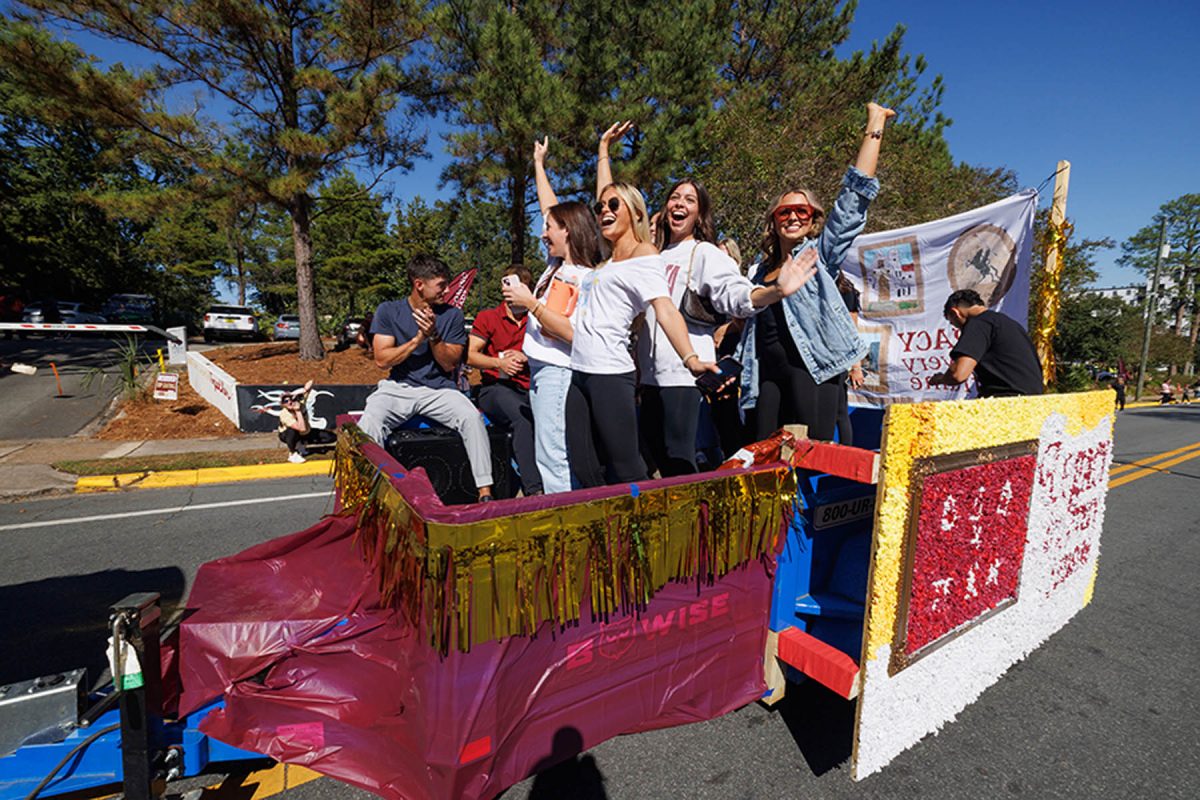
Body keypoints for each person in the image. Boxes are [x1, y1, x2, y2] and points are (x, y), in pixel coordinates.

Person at [596, 128, 817, 476]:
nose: (679, 204)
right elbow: (612, 209)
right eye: (674, 197)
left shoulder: (703, 253)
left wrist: (775, 291)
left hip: (683, 378)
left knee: (679, 464)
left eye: (689, 200)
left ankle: (699, 527)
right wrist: (603, 153)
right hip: (647, 381)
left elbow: (737, 294)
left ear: (699, 214)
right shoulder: (650, 253)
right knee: (655, 463)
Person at [734, 102, 895, 442]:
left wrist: (874, 126)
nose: (793, 217)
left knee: (809, 453)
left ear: (812, 219)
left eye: (802, 212)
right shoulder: (758, 270)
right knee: (764, 452)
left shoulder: (818, 255)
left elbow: (854, 199)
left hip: (813, 369)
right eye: (785, 212)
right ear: (773, 220)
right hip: (766, 373)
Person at [565, 178, 720, 487]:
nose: (604, 211)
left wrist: (690, 358)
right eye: (599, 207)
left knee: (627, 469)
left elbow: (665, 308)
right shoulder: (607, 261)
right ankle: (607, 530)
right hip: (579, 371)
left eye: (613, 205)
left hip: (608, 372)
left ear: (636, 213)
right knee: (583, 466)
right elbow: (602, 200)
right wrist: (603, 151)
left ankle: (657, 530)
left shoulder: (645, 253)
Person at [500, 138, 606, 494]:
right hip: (543, 374)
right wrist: (539, 164)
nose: (543, 232)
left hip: (560, 375)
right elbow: (551, 207)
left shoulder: (587, 278)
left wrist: (530, 303)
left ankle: (566, 523)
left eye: (550, 228)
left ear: (569, 232)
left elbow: (576, 335)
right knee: (550, 453)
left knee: (554, 455)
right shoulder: (555, 266)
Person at [359, 255, 494, 502]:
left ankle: (485, 491)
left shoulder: (452, 315)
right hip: (398, 387)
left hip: (440, 389)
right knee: (369, 422)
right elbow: (382, 360)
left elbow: (449, 363)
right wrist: (417, 339)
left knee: (472, 418)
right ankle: (367, 494)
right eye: (441, 285)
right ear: (419, 284)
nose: (447, 290)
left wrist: (433, 336)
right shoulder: (388, 310)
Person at [468, 265, 543, 496]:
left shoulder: (538, 319)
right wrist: (499, 363)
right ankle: (535, 490)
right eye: (507, 285)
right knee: (522, 418)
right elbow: (470, 355)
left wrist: (526, 358)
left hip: (532, 387)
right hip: (495, 388)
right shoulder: (488, 317)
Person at [929, 289, 1043, 397]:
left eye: (952, 322)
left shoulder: (978, 323)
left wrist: (941, 379)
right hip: (1033, 401)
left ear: (955, 313)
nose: (957, 328)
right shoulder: (1008, 323)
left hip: (1006, 401)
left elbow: (958, 374)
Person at [835, 272, 865, 445]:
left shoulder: (845, 289)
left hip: (838, 357)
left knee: (840, 411)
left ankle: (846, 455)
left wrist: (856, 366)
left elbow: (853, 331)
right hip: (815, 357)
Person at [276, 380, 336, 463]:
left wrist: (299, 392)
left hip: (305, 432)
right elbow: (302, 429)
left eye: (290, 399)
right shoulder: (284, 414)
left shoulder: (301, 402)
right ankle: (293, 453)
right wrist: (297, 411)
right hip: (288, 435)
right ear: (282, 405)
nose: (289, 402)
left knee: (331, 437)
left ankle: (301, 443)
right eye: (285, 401)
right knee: (292, 431)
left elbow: (310, 383)